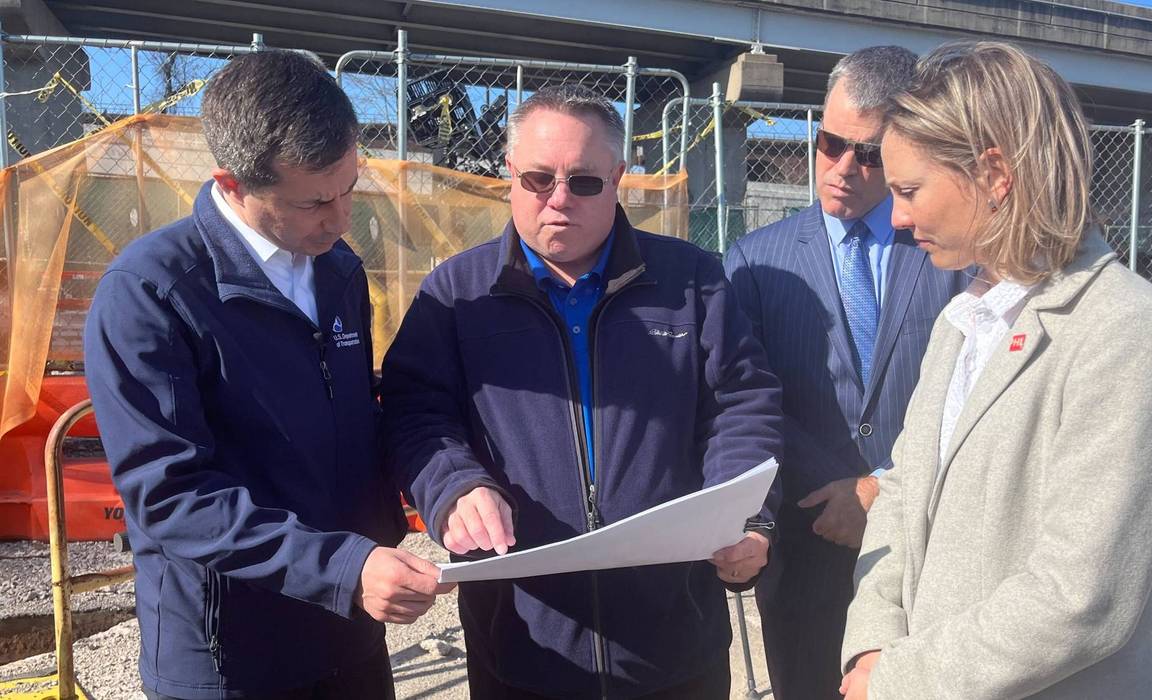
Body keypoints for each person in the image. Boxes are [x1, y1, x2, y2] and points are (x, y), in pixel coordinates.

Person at [380, 83, 783, 699]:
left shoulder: (692, 281)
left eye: (585, 181)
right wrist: (454, 486)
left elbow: (740, 403)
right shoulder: (456, 294)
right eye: (539, 178)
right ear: (510, 173)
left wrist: (746, 517)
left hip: (674, 643)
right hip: (521, 645)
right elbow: (416, 413)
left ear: (618, 178)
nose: (559, 198)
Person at [838, 41, 1152, 699]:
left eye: (909, 190)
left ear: (994, 174)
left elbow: (1080, 597)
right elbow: (903, 491)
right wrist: (871, 640)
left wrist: (896, 679)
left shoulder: (1130, 333)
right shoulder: (964, 320)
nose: (896, 217)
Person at [84, 51, 453, 700]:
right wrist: (343, 566)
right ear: (231, 184)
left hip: (349, 624)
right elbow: (169, 492)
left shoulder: (337, 269)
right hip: (231, 652)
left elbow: (357, 420)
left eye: (350, 187)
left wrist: (447, 486)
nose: (341, 219)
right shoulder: (152, 292)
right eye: (314, 202)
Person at [723, 45, 963, 699]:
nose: (841, 169)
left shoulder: (949, 254)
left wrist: (881, 489)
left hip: (925, 542)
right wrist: (827, 491)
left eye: (869, 154)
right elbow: (746, 400)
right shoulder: (755, 262)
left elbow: (969, 395)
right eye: (829, 144)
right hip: (806, 540)